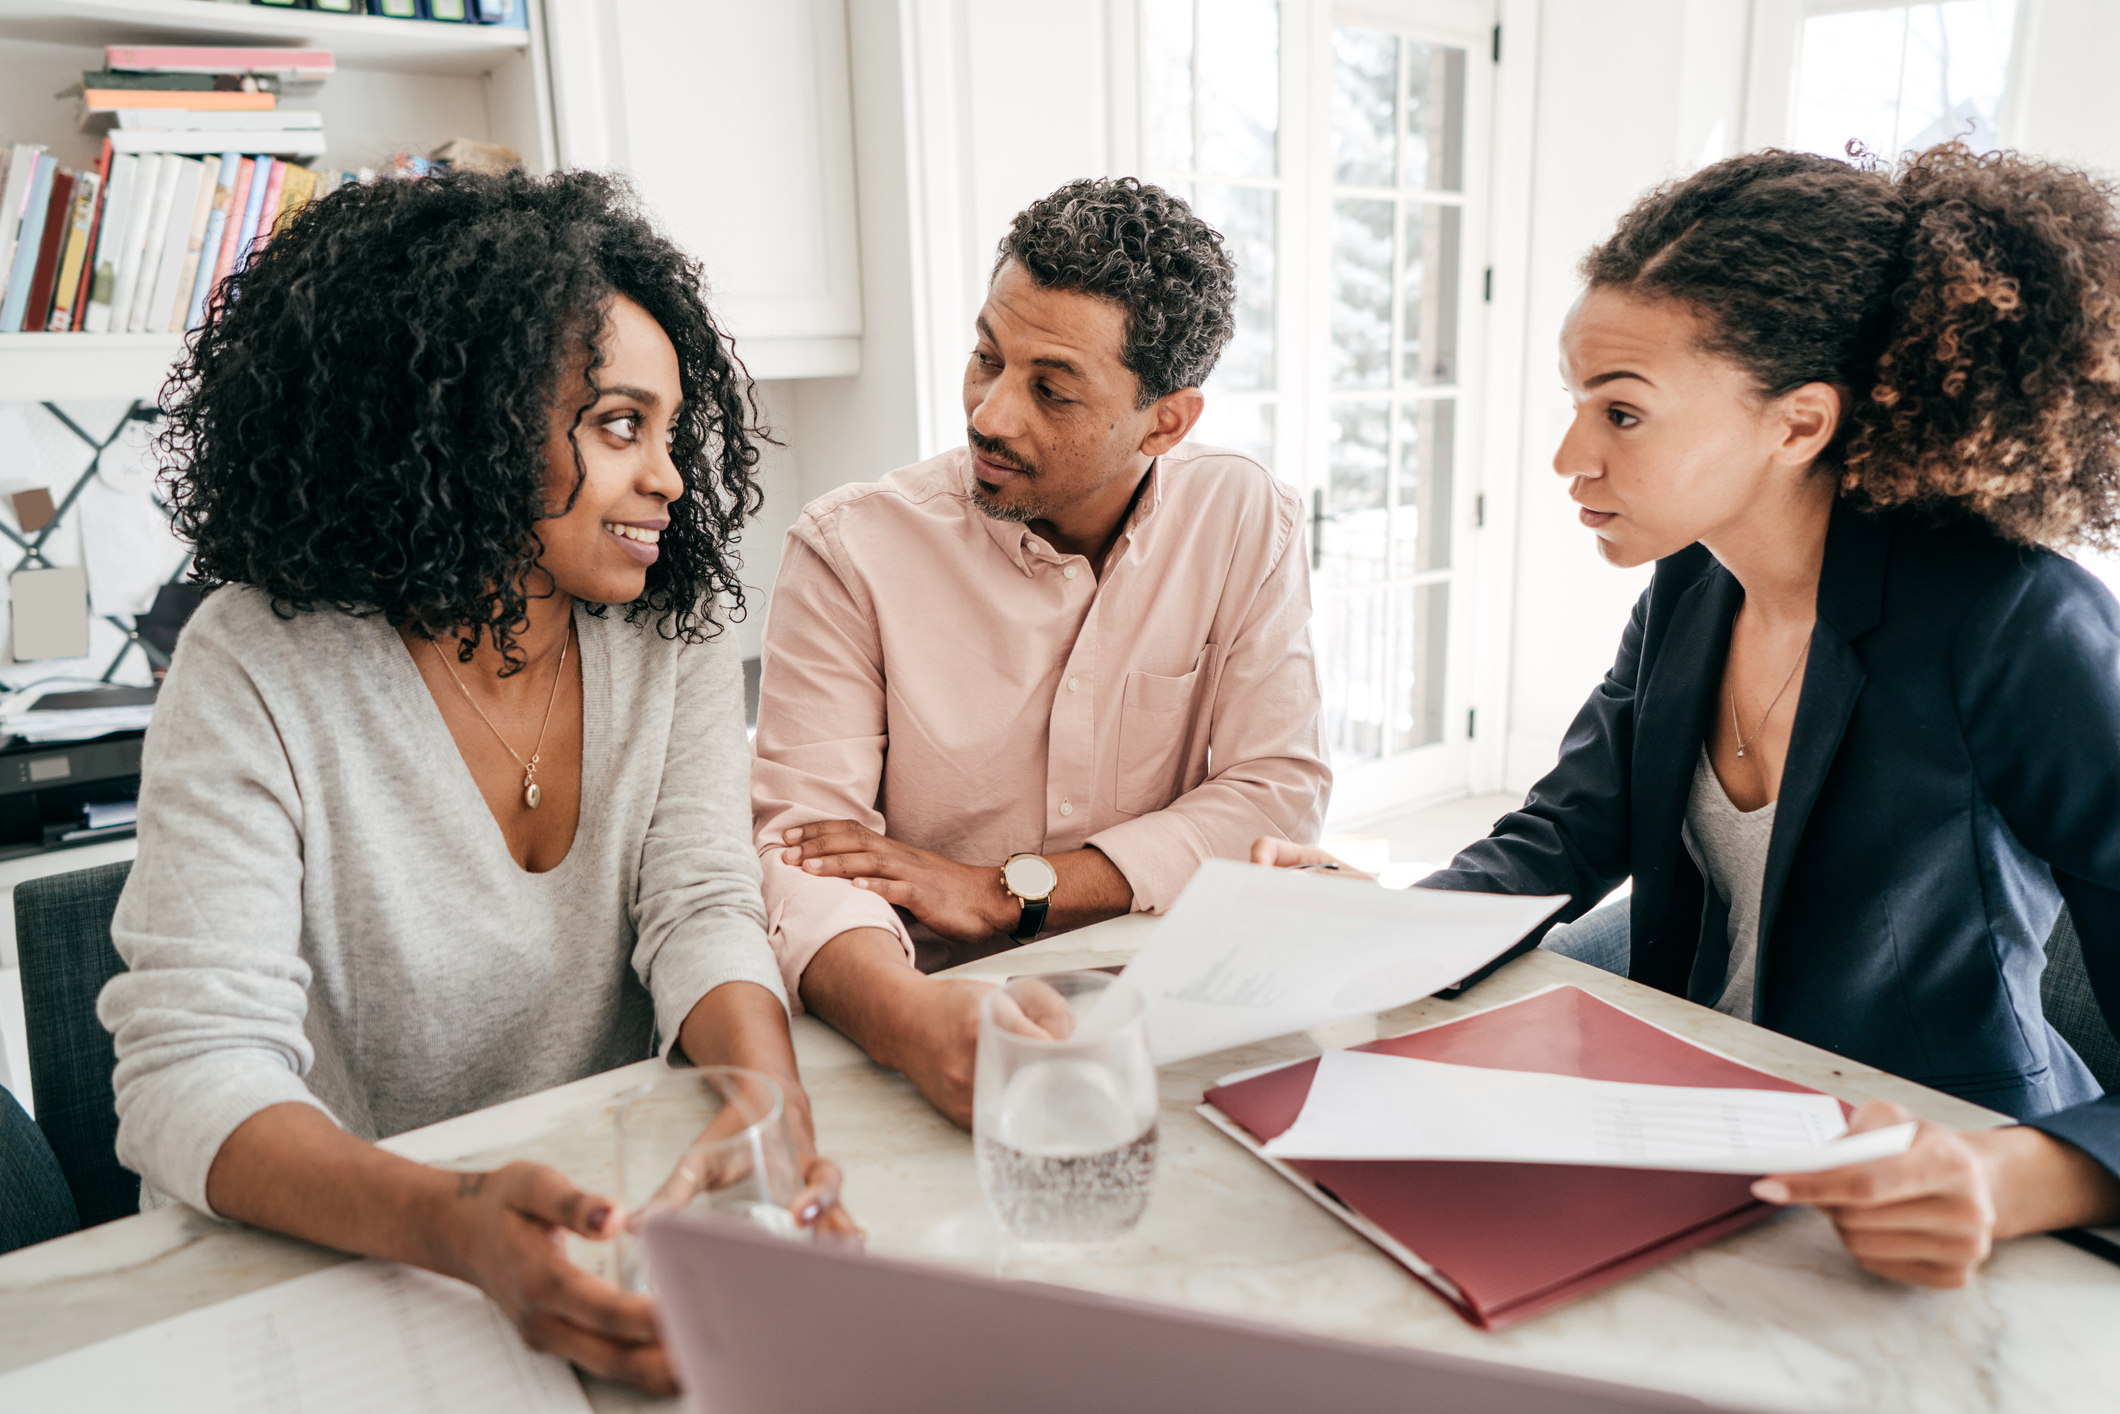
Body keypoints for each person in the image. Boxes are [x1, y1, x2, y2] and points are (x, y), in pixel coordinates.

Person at [1256, 144, 2120, 1288]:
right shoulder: (1691, 584)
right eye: (1575, 405)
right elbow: (1560, 835)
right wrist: (1381, 934)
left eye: (1621, 413)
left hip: (1923, 1178)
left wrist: (2008, 1179)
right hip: (1700, 1134)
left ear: (1797, 423)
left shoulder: (2013, 622)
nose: (1569, 456)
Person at [98, 170, 849, 1396]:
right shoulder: (258, 664)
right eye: (617, 425)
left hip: (606, 1202)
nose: (667, 476)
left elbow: (703, 899)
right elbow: (190, 1075)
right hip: (345, 1259)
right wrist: (456, 1226)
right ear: (465, 419)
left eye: (670, 431)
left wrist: (765, 1107)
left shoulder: (672, 633)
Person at [752, 178, 1331, 1126]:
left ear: (1166, 421)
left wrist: (1007, 892)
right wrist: (909, 1021)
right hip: (920, 1027)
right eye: (987, 357)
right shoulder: (848, 550)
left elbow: (1276, 793)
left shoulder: (1242, 518)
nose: (989, 415)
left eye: (1051, 390)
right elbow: (801, 853)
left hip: (1172, 1019)